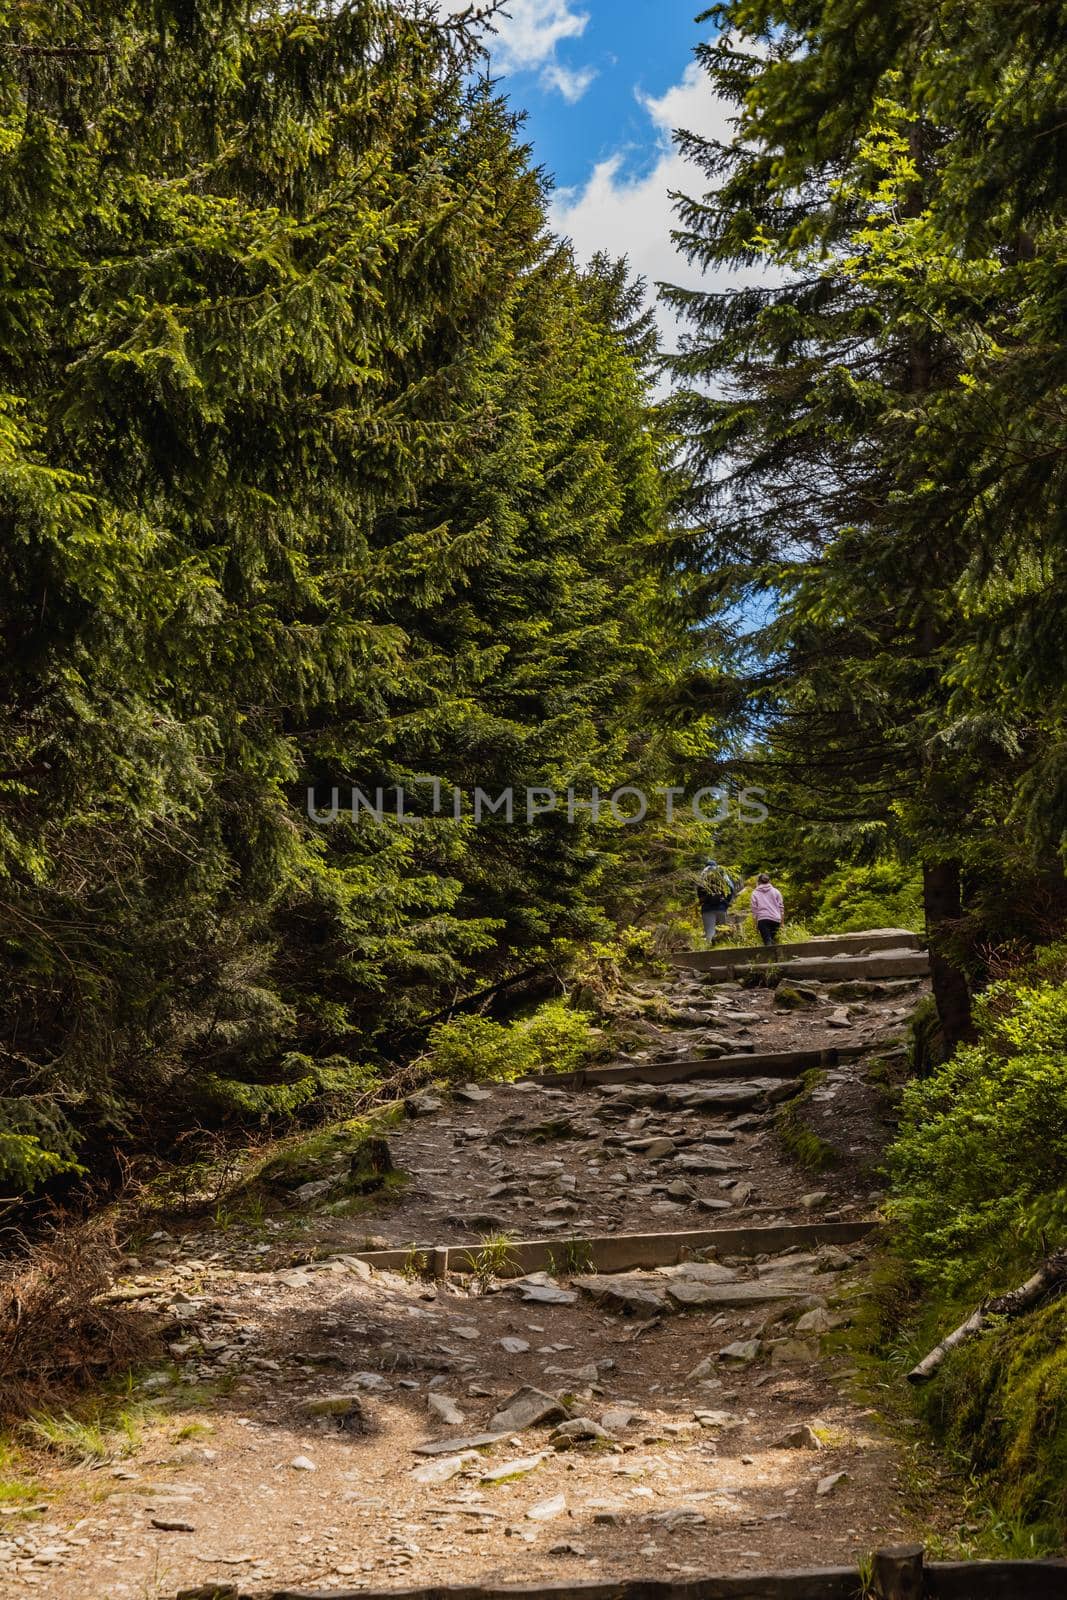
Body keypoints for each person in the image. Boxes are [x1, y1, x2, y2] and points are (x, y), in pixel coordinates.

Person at [696, 859, 738, 943]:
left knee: (710, 933)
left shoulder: (703, 876)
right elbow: (731, 889)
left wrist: (702, 901)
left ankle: (710, 951)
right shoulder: (722, 876)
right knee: (721, 931)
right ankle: (722, 948)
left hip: (707, 909)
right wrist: (726, 903)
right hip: (721, 907)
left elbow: (699, 892)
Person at [750, 872, 785, 946]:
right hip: (776, 919)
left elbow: (754, 911)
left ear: (758, 882)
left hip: (763, 919)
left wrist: (754, 925)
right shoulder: (776, 891)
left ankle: (770, 956)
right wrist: (782, 923)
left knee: (767, 941)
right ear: (769, 881)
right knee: (774, 940)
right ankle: (777, 956)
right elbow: (781, 908)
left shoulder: (755, 893)